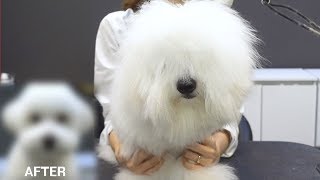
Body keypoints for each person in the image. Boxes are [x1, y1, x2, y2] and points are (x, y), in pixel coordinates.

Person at [94, 0, 240, 176]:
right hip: (146, 153)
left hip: (197, 158)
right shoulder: (117, 26)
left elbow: (232, 100)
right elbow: (112, 111)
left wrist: (218, 143)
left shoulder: (216, 20)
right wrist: (123, 151)